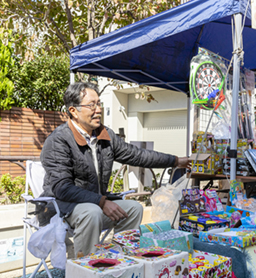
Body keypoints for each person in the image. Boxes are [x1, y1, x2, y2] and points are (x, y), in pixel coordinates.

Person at [40, 82, 190, 256]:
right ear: (73, 111)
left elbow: (138, 155)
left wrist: (175, 160)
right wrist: (102, 202)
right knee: (92, 213)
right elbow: (62, 188)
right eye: (91, 105)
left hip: (94, 203)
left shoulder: (105, 136)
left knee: (134, 209)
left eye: (99, 103)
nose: (98, 110)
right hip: (62, 207)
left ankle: (120, 261)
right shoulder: (59, 140)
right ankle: (86, 271)